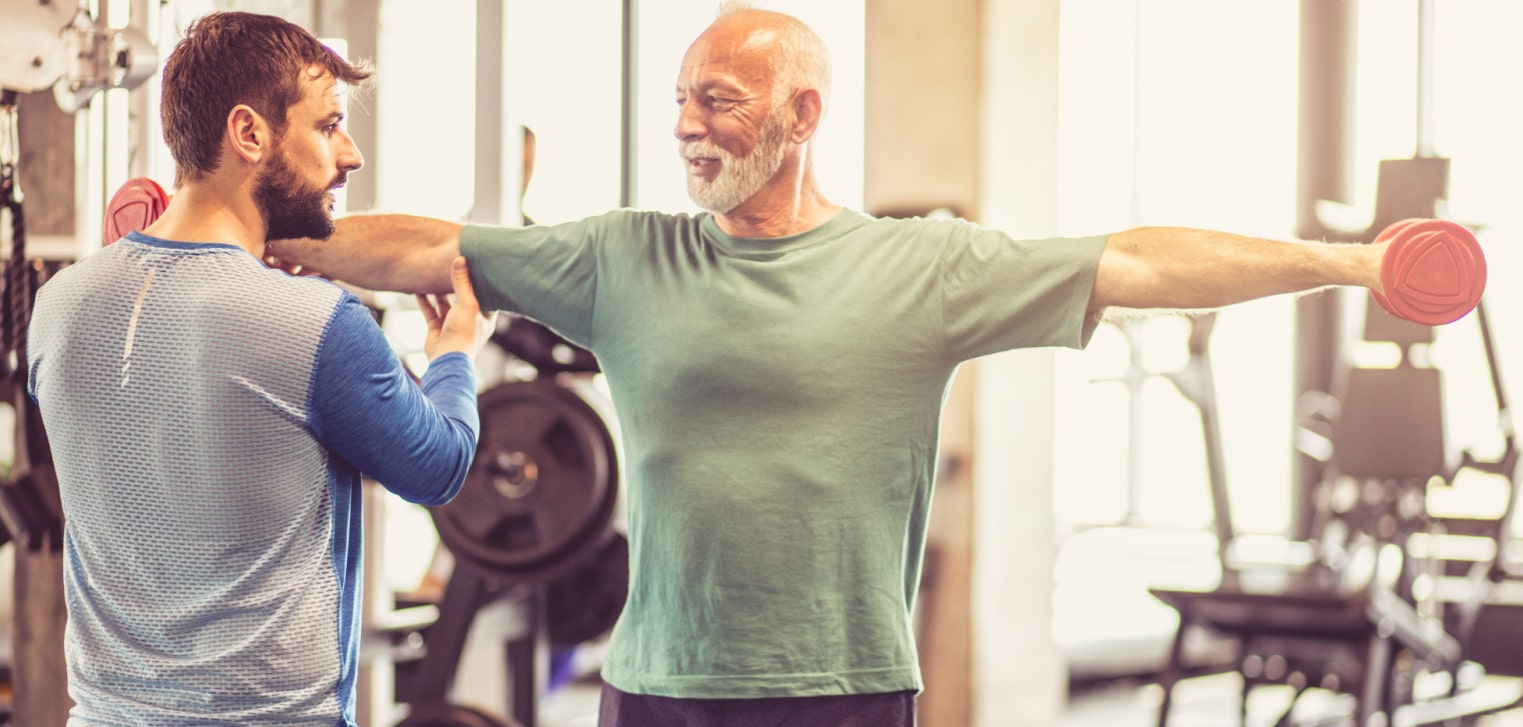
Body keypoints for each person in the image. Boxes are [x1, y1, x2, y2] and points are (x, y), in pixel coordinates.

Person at [268, 4, 1396, 725]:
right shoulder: (622, 258)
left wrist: (1354, 264)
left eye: (718, 97)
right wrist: (241, 231)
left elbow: (1140, 261)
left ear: (801, 112)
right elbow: (421, 244)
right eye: (678, 101)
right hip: (654, 686)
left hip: (841, 690)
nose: (686, 125)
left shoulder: (926, 268)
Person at [26, 11, 487, 727]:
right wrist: (455, 350)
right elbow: (441, 466)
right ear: (249, 133)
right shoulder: (317, 323)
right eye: (329, 125)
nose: (351, 153)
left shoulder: (57, 305)